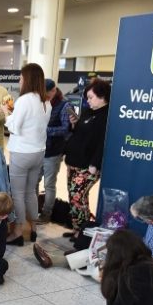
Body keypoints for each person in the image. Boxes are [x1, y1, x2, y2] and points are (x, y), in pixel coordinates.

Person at [3, 63, 50, 245]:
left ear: (27, 79)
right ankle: (34, 228)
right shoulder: (45, 101)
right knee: (31, 191)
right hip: (38, 152)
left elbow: (15, 128)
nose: (19, 80)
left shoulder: (24, 100)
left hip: (22, 152)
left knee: (17, 193)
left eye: (21, 77)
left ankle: (19, 230)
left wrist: (7, 113)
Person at [63, 78, 111, 237]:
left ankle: (82, 232)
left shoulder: (106, 116)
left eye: (91, 97)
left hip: (88, 165)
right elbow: (80, 134)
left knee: (78, 197)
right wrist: (75, 124)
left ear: (102, 96)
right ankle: (77, 229)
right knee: (74, 198)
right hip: (74, 162)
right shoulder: (88, 111)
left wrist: (95, 164)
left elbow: (102, 142)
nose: (88, 101)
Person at [40, 79, 72, 223]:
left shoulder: (65, 105)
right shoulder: (40, 102)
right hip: (37, 149)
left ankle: (47, 214)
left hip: (53, 152)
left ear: (54, 90)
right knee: (33, 182)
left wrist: (45, 131)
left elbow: (66, 129)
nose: (45, 96)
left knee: (49, 184)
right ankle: (33, 212)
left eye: (47, 93)